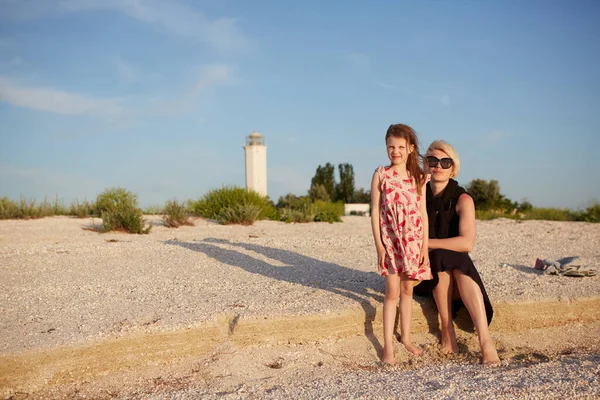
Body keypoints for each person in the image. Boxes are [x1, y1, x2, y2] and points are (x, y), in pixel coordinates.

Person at [414, 140, 500, 365]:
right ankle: (447, 330)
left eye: (445, 162)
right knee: (443, 257)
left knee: (454, 258)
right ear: (425, 165)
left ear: (453, 167)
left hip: (457, 276)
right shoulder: (417, 196)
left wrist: (427, 242)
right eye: (432, 161)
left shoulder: (464, 199)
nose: (438, 166)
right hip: (425, 275)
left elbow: (467, 243)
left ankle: (485, 341)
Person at [370, 123, 432, 364]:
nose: (395, 151)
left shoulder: (418, 177)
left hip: (414, 242)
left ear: (410, 148)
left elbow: (423, 213)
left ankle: (405, 338)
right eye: (390, 146)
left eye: (400, 147)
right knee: (391, 292)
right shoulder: (381, 175)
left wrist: (424, 247)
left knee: (408, 291)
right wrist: (379, 246)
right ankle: (388, 348)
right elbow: (375, 212)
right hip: (391, 242)